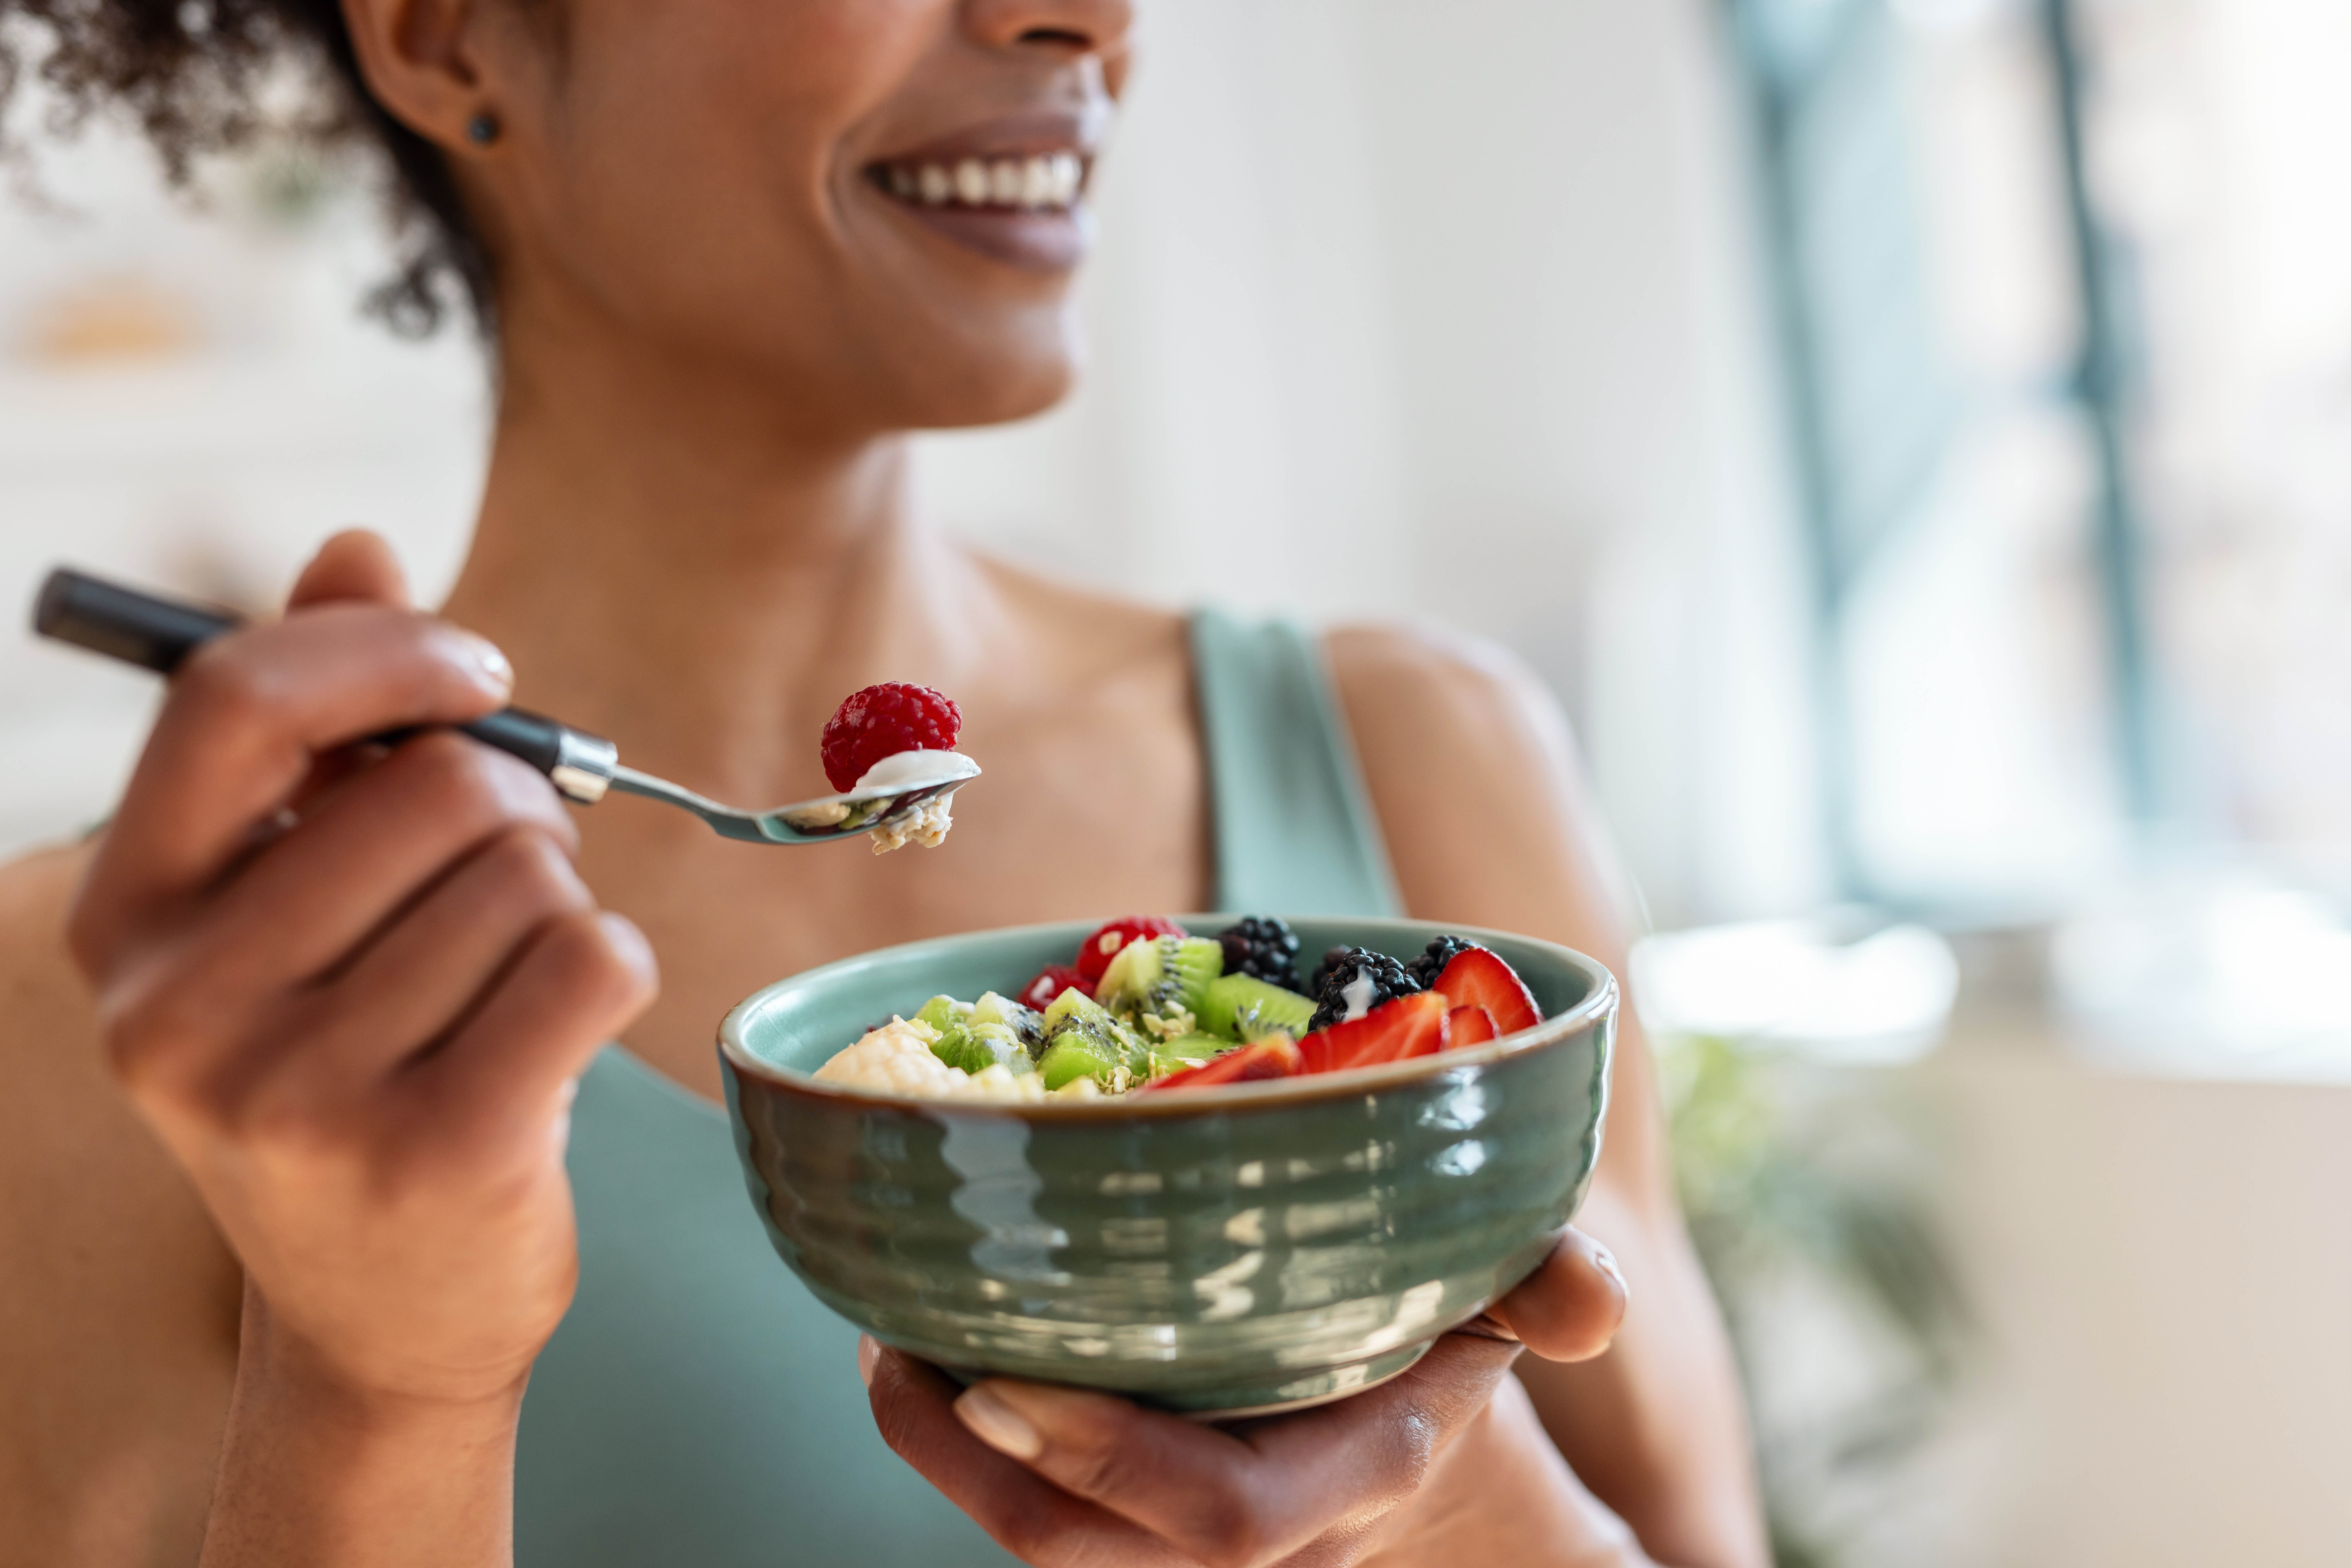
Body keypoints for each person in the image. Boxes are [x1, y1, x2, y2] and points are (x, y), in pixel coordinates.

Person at [0, 1, 1768, 1564]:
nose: (1084, 18)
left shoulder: (1422, 750)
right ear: (452, 31)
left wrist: (1442, 1501)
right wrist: (381, 1388)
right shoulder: (98, 999)